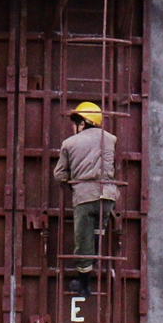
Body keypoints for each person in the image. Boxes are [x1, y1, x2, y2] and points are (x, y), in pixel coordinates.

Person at [53, 104, 120, 296]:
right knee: (98, 233)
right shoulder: (110, 139)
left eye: (75, 123)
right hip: (108, 197)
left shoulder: (69, 143)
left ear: (83, 122)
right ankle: (94, 262)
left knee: (83, 242)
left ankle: (84, 286)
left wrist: (73, 181)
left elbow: (59, 175)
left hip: (85, 198)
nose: (73, 128)